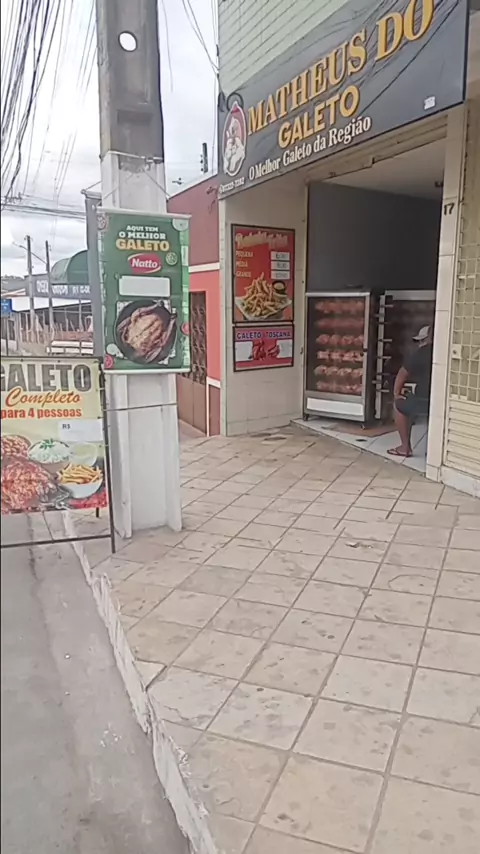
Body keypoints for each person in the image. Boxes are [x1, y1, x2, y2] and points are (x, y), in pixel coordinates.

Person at [388, 325, 433, 458]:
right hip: (442, 401)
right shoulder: (445, 351)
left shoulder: (422, 352)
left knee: (399, 405)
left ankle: (405, 447)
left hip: (423, 401)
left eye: (421, 341)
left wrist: (397, 394)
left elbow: (402, 373)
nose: (420, 344)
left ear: (427, 339)